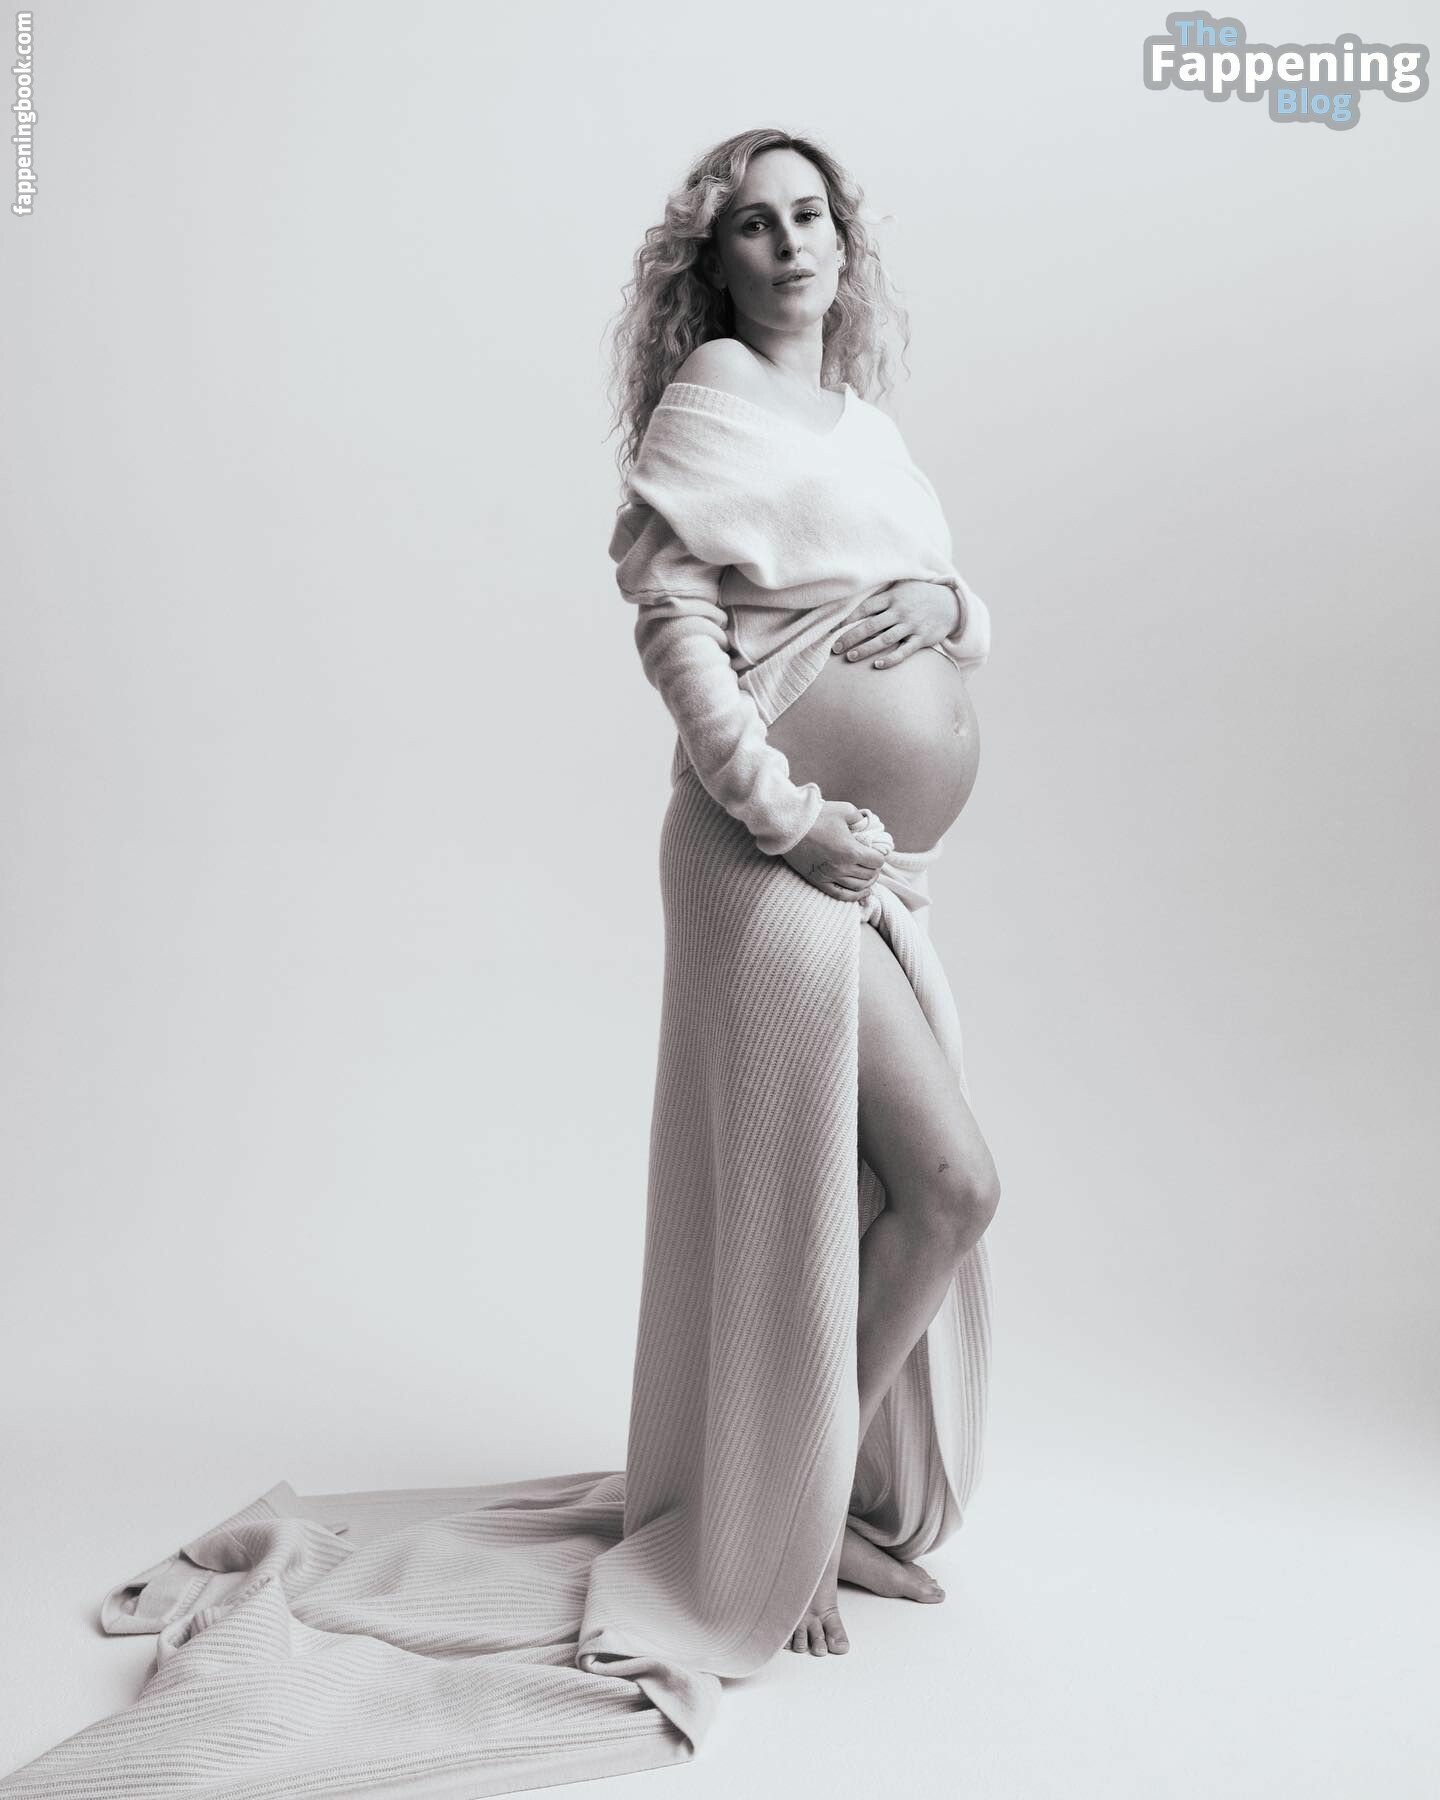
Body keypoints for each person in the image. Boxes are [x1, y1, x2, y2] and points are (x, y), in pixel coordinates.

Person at [607, 124, 1002, 1660]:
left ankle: (804, 1501)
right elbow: (674, 628)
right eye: (758, 225)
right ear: (714, 261)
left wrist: (950, 600)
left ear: (847, 240)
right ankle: (786, 1516)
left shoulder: (866, 430)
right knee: (943, 1185)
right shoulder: (714, 396)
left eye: (812, 215)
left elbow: (945, 614)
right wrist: (785, 818)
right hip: (764, 855)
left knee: (893, 1195)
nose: (791, 245)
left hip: (867, 867)